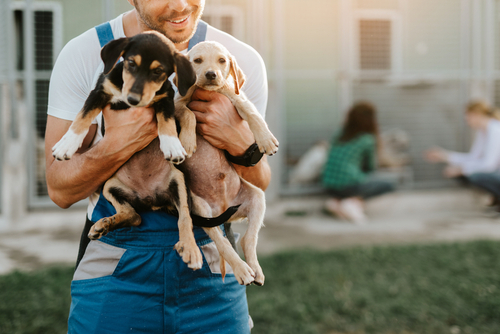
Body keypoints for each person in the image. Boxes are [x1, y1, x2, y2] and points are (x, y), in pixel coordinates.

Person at [44, 1, 271, 333]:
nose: (179, 4)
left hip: (210, 254)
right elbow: (59, 190)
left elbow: (260, 181)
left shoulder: (231, 58)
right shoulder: (85, 53)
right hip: (118, 263)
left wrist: (239, 141)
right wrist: (120, 141)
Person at [322, 102, 395, 224]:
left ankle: (336, 202)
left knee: (357, 179)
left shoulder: (340, 133)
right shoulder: (368, 139)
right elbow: (371, 167)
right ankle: (352, 202)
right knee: (389, 184)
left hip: (328, 185)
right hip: (349, 186)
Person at [425, 100, 500, 208]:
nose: (466, 120)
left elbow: (489, 165)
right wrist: (444, 155)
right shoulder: (483, 131)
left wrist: (462, 169)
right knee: (464, 173)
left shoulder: (495, 130)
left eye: (468, 116)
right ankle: (497, 198)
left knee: (475, 176)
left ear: (477, 115)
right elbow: (473, 157)